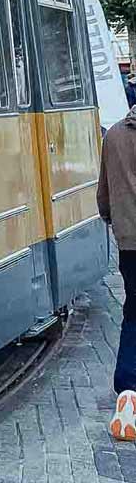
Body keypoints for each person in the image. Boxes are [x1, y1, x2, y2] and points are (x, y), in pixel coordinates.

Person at [98, 102, 136, 438]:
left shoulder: (113, 136)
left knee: (133, 312)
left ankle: (127, 389)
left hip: (129, 244)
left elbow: (104, 193)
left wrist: (114, 220)